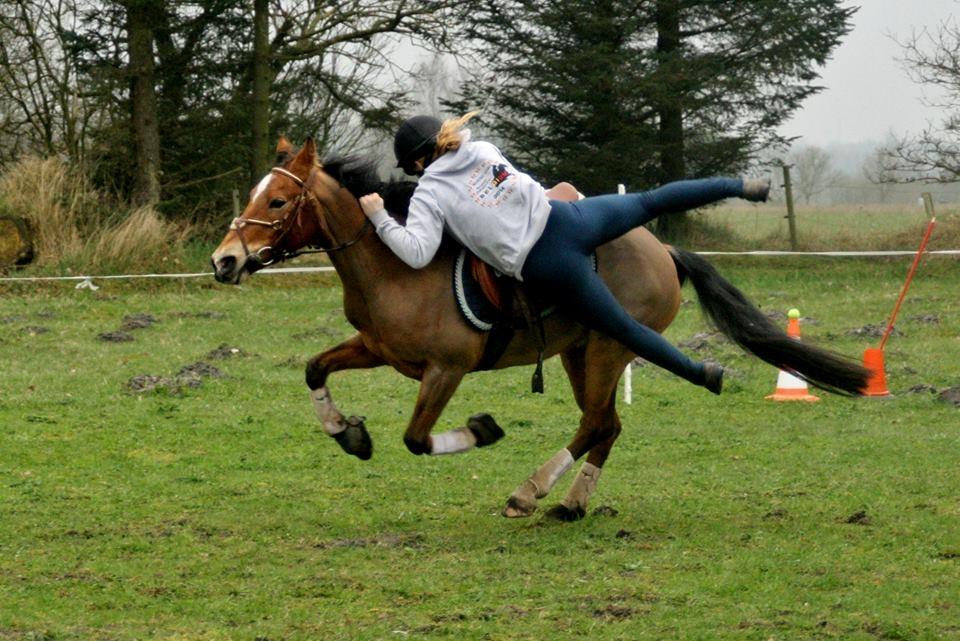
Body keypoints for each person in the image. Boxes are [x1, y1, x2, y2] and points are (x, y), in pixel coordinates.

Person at [358, 113, 770, 394]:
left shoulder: (430, 190)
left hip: (546, 262)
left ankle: (701, 373)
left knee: (624, 329)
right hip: (569, 217)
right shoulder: (483, 149)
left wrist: (380, 217)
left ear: (416, 161)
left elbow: (416, 253)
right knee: (651, 200)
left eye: (412, 169)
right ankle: (739, 186)